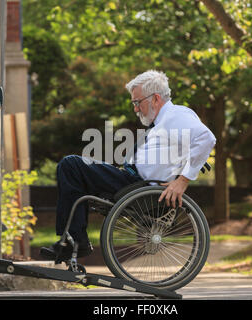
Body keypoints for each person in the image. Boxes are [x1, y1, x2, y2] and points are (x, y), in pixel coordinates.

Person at [40, 70, 216, 261]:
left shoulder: (175, 115)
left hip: (138, 187)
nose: (135, 109)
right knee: (74, 173)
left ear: (155, 98)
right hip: (132, 181)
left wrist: (182, 181)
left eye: (137, 102)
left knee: (71, 165)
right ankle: (73, 239)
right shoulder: (165, 120)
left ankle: (75, 241)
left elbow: (206, 138)